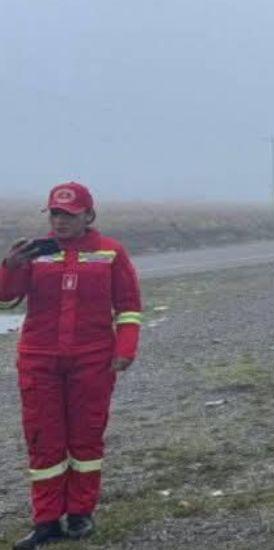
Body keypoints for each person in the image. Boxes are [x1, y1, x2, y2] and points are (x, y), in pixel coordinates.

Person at [0, 182, 142, 548]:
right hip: (39, 360)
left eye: (69, 214)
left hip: (93, 360)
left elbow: (128, 306)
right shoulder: (34, 252)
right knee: (44, 441)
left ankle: (80, 514)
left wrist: (125, 348)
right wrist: (9, 266)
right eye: (55, 214)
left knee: (86, 438)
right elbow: (5, 298)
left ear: (88, 216)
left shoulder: (111, 253)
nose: (60, 221)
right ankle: (46, 521)